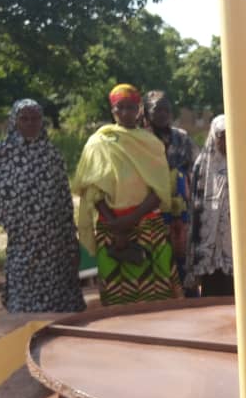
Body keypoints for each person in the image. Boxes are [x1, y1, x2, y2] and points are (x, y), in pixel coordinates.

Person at [0, 99, 85, 313]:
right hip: (24, 240)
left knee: (60, 297)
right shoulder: (3, 152)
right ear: (14, 122)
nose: (30, 124)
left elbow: (64, 199)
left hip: (56, 241)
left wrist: (71, 239)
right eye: (24, 119)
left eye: (35, 119)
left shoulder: (52, 155)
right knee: (24, 295)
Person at [73, 84, 181, 306]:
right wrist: (116, 224)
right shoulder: (98, 142)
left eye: (130, 107)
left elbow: (159, 189)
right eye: (119, 108)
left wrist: (130, 220)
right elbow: (93, 189)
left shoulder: (151, 144)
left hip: (148, 225)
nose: (125, 113)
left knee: (157, 294)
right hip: (110, 229)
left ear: (139, 109)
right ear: (112, 111)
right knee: (117, 297)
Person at [141, 90, 196, 291]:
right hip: (151, 207)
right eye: (157, 110)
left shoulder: (182, 137)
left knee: (183, 257)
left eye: (166, 109)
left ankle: (187, 299)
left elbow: (194, 168)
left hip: (181, 210)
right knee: (157, 256)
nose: (163, 114)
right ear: (146, 112)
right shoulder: (140, 140)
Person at [186, 115, 234, 297]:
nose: (225, 142)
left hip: (235, 244)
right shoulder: (203, 165)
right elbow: (196, 212)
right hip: (210, 249)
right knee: (214, 295)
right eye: (222, 136)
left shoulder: (243, 162)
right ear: (214, 137)